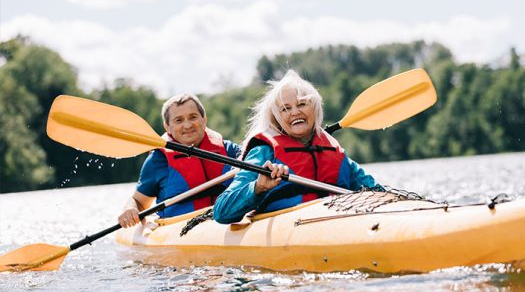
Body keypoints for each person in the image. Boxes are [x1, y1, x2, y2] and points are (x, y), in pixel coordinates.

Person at [213, 70, 380, 224]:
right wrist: (258, 187)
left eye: (302, 104)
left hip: (337, 225)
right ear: (277, 118)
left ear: (315, 108)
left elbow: (376, 190)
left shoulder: (334, 151)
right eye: (286, 109)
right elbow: (221, 212)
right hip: (288, 233)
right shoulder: (264, 152)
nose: (295, 112)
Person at [118, 93, 241, 227]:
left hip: (228, 221)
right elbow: (139, 202)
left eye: (193, 117)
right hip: (181, 229)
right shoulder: (158, 160)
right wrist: (129, 208)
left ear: (204, 119)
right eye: (179, 120)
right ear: (167, 127)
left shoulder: (230, 150)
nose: (187, 125)